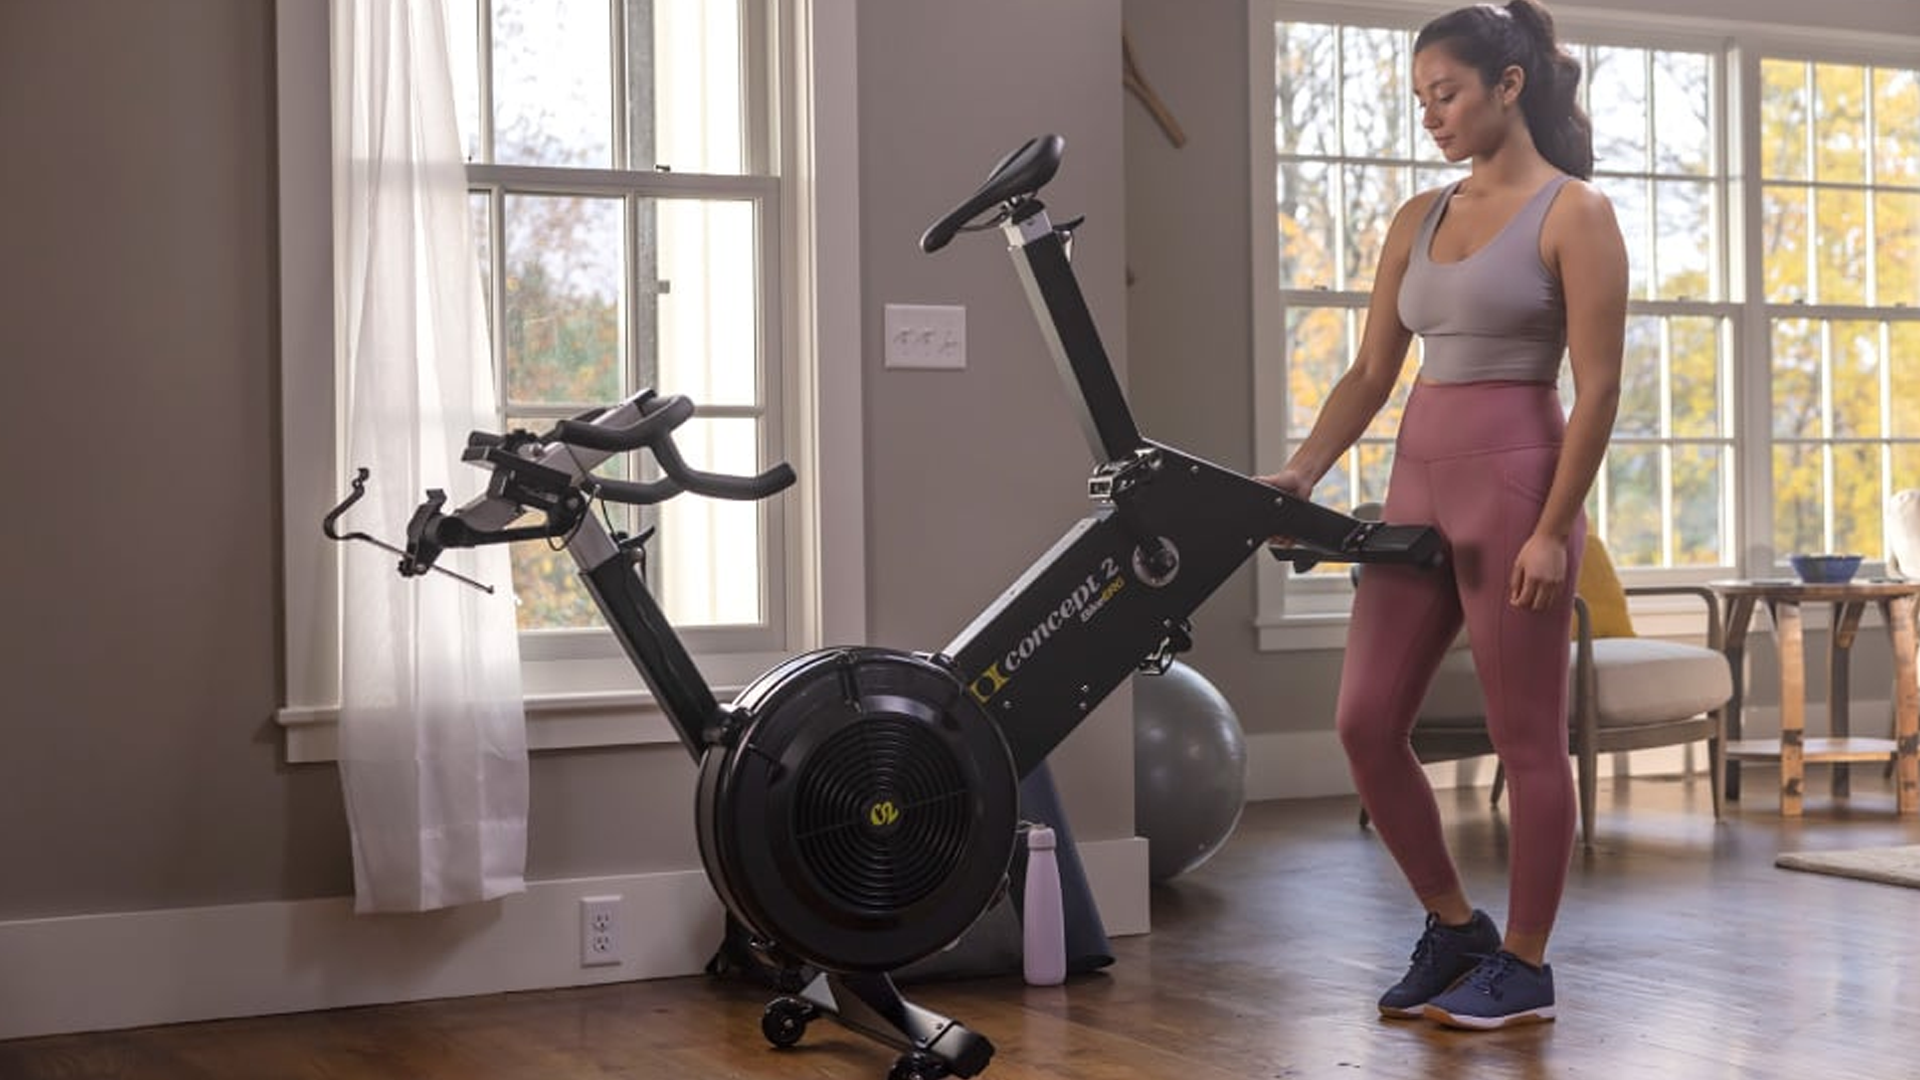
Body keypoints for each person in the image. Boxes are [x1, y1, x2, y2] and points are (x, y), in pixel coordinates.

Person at [1259, 0, 1627, 1030]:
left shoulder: (1575, 214)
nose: (1431, 114)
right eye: (1421, 98)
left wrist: (1552, 529)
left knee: (1526, 739)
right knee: (1365, 724)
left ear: (1509, 86)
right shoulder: (1416, 216)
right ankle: (1455, 927)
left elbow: (1598, 389)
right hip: (1416, 490)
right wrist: (1303, 470)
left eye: (1447, 92)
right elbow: (1372, 371)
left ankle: (1526, 962)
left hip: (1518, 490)